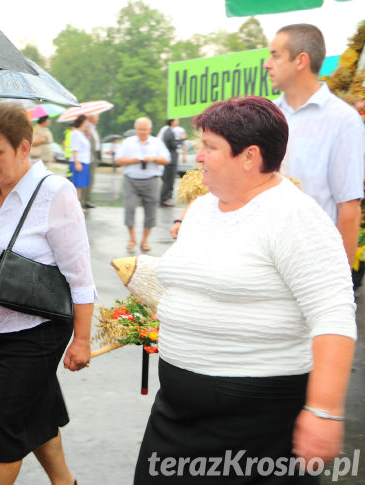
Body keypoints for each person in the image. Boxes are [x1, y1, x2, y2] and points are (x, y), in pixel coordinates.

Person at [134, 97, 357, 484]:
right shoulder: (202, 208)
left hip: (257, 426)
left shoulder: (295, 216)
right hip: (175, 414)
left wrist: (323, 410)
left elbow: (333, 315)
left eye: (210, 146)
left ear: (249, 156)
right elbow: (198, 280)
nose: (197, 156)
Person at [0, 102, 95, 485]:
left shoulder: (54, 192)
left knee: (4, 427)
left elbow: (80, 273)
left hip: (39, 327)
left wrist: (83, 339)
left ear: (24, 148)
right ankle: (65, 483)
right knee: (35, 411)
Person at [263, 23, 365, 267]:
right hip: (262, 258)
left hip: (312, 262)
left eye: (275, 55)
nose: (267, 63)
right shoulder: (267, 114)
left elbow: (348, 207)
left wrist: (340, 284)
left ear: (301, 61)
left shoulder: (343, 120)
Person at [114, 117, 170, 252]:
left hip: (151, 180)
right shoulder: (127, 142)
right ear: (136, 129)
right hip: (131, 180)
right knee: (129, 208)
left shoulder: (157, 143)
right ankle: (132, 238)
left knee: (151, 210)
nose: (142, 132)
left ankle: (145, 240)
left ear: (149, 130)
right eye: (139, 129)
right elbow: (118, 160)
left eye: (144, 129)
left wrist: (154, 159)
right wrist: (132, 161)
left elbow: (167, 160)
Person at [157, 118, 186, 207]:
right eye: (176, 120)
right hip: (171, 159)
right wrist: (182, 140)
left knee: (169, 179)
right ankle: (164, 199)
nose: (178, 121)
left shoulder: (167, 130)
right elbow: (173, 145)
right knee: (169, 180)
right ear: (172, 122)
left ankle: (166, 198)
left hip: (170, 158)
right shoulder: (169, 132)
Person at [69, 115, 91, 206]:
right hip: (79, 162)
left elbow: (85, 147)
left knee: (81, 186)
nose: (87, 125)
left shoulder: (82, 134)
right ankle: (75, 205)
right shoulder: (76, 133)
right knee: (77, 186)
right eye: (86, 123)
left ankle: (77, 204)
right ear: (82, 123)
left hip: (84, 161)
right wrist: (77, 163)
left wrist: (89, 136)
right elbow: (75, 149)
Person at [81, 113, 101, 209]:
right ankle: (83, 200)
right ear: (91, 118)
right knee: (86, 180)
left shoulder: (93, 128)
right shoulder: (86, 127)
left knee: (91, 180)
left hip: (94, 156)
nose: (98, 118)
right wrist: (87, 134)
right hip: (87, 157)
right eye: (97, 116)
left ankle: (87, 199)